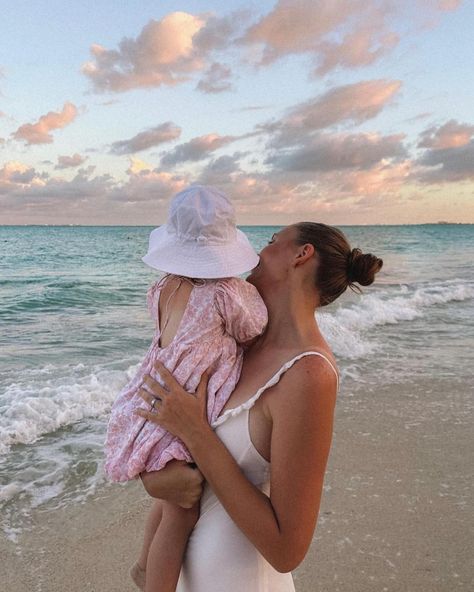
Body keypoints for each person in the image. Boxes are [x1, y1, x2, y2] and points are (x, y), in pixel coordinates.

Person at [134, 221, 383, 592]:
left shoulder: (309, 374)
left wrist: (196, 433)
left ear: (301, 254)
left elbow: (287, 550)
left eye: (271, 242)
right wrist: (154, 480)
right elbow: (183, 457)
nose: (254, 254)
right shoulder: (234, 347)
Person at [103, 185, 268, 592]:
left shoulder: (162, 288)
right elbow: (255, 328)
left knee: (171, 494)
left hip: (153, 394)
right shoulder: (227, 292)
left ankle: (144, 565)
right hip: (186, 402)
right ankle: (154, 582)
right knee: (182, 512)